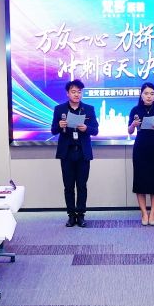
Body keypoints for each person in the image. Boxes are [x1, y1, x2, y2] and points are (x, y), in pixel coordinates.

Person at [51, 80, 99, 227]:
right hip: (67, 153)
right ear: (68, 93)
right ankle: (71, 215)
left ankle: (81, 215)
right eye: (74, 92)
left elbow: (95, 130)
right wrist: (59, 126)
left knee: (82, 186)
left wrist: (86, 128)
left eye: (79, 92)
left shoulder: (88, 109)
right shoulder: (59, 109)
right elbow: (53, 130)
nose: (77, 94)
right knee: (68, 186)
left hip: (83, 153)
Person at [127, 82, 154, 226]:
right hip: (140, 147)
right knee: (140, 181)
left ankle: (153, 213)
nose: (149, 96)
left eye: (152, 93)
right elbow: (129, 131)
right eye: (146, 93)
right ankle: (144, 213)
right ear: (141, 95)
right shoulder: (135, 110)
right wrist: (133, 125)